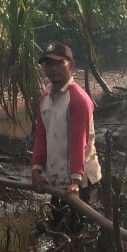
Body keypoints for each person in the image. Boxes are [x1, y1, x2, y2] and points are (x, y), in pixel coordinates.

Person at [31, 42, 101, 221]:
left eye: (58, 63)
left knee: (82, 232)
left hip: (82, 182)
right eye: (48, 64)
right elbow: (41, 137)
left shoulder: (78, 99)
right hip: (58, 181)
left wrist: (75, 181)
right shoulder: (45, 99)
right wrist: (37, 170)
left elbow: (80, 142)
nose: (52, 68)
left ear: (71, 65)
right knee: (60, 229)